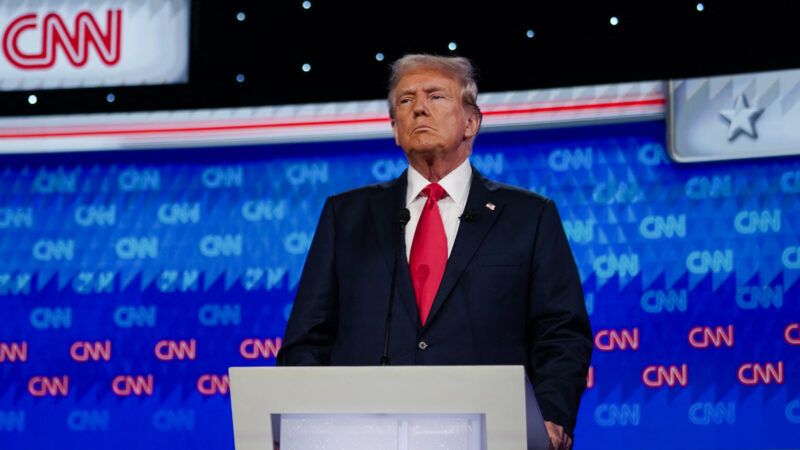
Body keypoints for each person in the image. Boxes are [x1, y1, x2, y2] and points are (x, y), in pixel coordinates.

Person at [277, 54, 592, 450]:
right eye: (406, 101)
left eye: (436, 96)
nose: (419, 107)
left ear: (471, 122)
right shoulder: (347, 215)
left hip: (490, 434)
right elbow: (307, 338)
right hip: (362, 435)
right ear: (395, 129)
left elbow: (561, 333)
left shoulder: (529, 216)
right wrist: (306, 424)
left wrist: (551, 416)